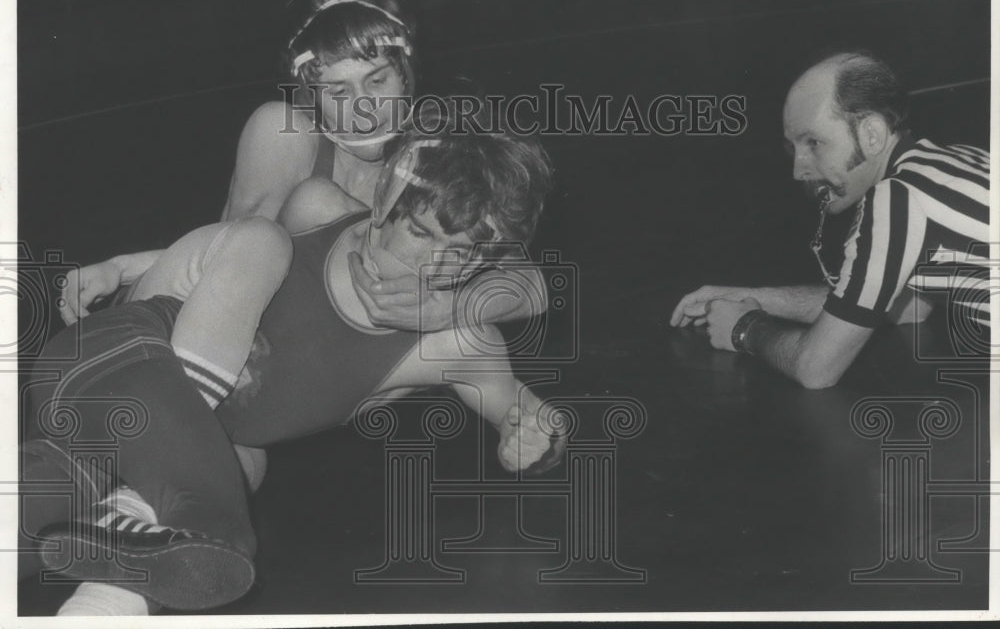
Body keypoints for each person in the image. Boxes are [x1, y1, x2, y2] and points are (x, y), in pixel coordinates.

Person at [21, 98, 564, 615]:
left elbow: (528, 417)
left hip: (124, 446)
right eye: (419, 232)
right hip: (120, 357)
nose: (429, 262)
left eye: (461, 252)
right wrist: (124, 266)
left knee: (237, 469)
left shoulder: (459, 342)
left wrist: (537, 439)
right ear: (382, 205)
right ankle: (209, 525)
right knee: (215, 502)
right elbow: (230, 246)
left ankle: (109, 583)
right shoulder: (320, 207)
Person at [670, 50, 990, 388]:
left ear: (872, 134)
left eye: (814, 142)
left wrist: (745, 328)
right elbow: (909, 307)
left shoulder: (898, 199)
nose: (799, 170)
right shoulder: (964, 157)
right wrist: (756, 298)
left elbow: (816, 369)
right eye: (794, 148)